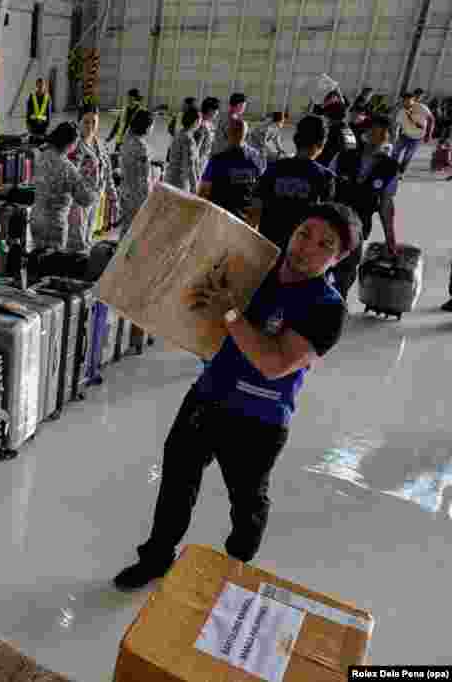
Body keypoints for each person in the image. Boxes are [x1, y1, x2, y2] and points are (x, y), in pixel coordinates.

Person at [113, 202, 358, 591]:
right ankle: (157, 557)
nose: (306, 247)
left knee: (246, 502)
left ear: (339, 258)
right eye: (303, 234)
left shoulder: (327, 309)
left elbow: (274, 363)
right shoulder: (256, 271)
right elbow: (204, 307)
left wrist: (229, 314)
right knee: (177, 483)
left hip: (258, 421)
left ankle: (237, 564)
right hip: (208, 396)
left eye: (324, 245)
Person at [327, 115, 401, 300]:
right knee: (321, 268)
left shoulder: (390, 167)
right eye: (375, 133)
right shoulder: (343, 157)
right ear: (365, 134)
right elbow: (325, 189)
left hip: (359, 228)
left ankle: (335, 307)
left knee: (346, 274)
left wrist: (390, 239)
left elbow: (386, 204)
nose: (380, 138)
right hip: (330, 224)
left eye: (384, 135)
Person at [247, 115, 336, 253]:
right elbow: (326, 224)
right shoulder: (325, 177)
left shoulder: (273, 169)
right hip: (301, 254)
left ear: (296, 139)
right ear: (321, 144)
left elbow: (255, 211)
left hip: (268, 248)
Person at [31, 122, 100, 251]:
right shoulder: (67, 168)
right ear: (70, 144)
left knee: (37, 259)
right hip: (54, 224)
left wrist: (79, 172)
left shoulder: (42, 156)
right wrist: (90, 180)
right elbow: (86, 199)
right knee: (52, 265)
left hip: (36, 218)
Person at [68, 105, 118, 252]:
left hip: (95, 198)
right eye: (86, 122)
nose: (90, 126)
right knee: (77, 240)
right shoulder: (73, 146)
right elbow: (69, 176)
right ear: (78, 122)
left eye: (94, 122)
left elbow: (107, 171)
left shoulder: (99, 144)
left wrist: (112, 194)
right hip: (79, 202)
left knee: (88, 235)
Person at [197, 119, 265, 224]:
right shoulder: (256, 159)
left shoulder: (218, 160)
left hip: (218, 217)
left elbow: (204, 190)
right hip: (243, 220)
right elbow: (259, 192)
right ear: (246, 134)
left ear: (228, 134)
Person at [117, 110, 155, 237]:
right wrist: (149, 198)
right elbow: (144, 178)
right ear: (147, 127)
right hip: (137, 195)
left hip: (124, 190)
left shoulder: (127, 139)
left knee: (126, 227)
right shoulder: (141, 148)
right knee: (136, 230)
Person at [392, 90, 434, 176]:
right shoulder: (401, 111)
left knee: (407, 156)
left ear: (413, 100)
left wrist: (428, 134)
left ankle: (401, 172)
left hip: (417, 138)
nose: (407, 102)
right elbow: (397, 125)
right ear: (403, 101)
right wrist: (395, 135)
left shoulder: (422, 107)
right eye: (405, 101)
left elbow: (431, 119)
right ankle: (393, 168)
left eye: (409, 100)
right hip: (405, 135)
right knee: (395, 152)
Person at [165, 107, 202, 193]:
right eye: (200, 120)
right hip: (180, 182)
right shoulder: (188, 140)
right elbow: (189, 165)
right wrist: (194, 186)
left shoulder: (178, 134)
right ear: (195, 121)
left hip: (169, 177)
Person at [211, 93, 247, 157]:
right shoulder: (233, 119)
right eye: (244, 106)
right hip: (225, 153)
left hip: (218, 152)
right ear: (239, 105)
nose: (244, 109)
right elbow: (234, 141)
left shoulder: (222, 116)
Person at [194, 97, 222, 175]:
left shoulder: (209, 124)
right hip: (198, 163)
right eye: (216, 110)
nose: (217, 113)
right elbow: (196, 148)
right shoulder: (201, 125)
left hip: (204, 161)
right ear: (210, 110)